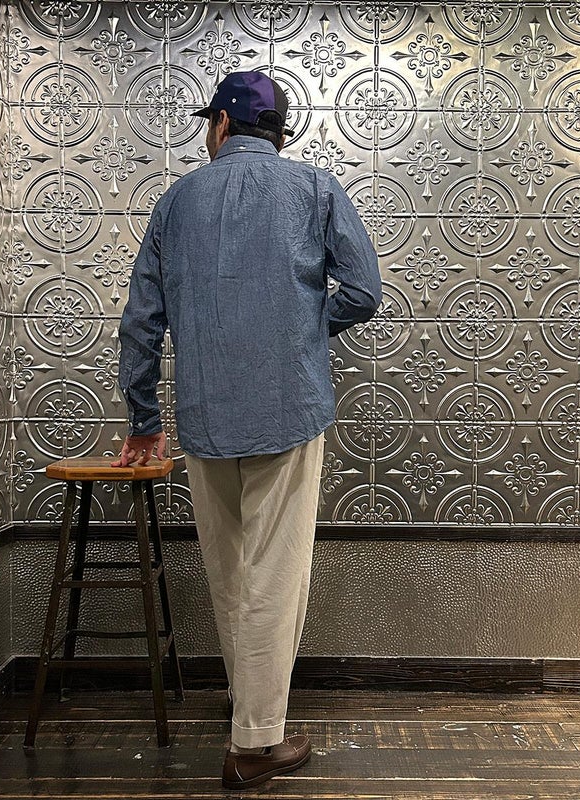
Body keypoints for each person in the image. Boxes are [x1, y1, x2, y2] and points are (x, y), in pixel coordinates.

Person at [114, 70, 381, 790]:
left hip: (205, 417)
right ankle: (256, 741)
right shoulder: (316, 187)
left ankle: (248, 707)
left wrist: (144, 420)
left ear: (223, 125)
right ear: (278, 132)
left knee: (231, 571)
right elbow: (364, 292)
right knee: (275, 573)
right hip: (289, 409)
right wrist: (303, 330)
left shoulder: (176, 202)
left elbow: (141, 323)